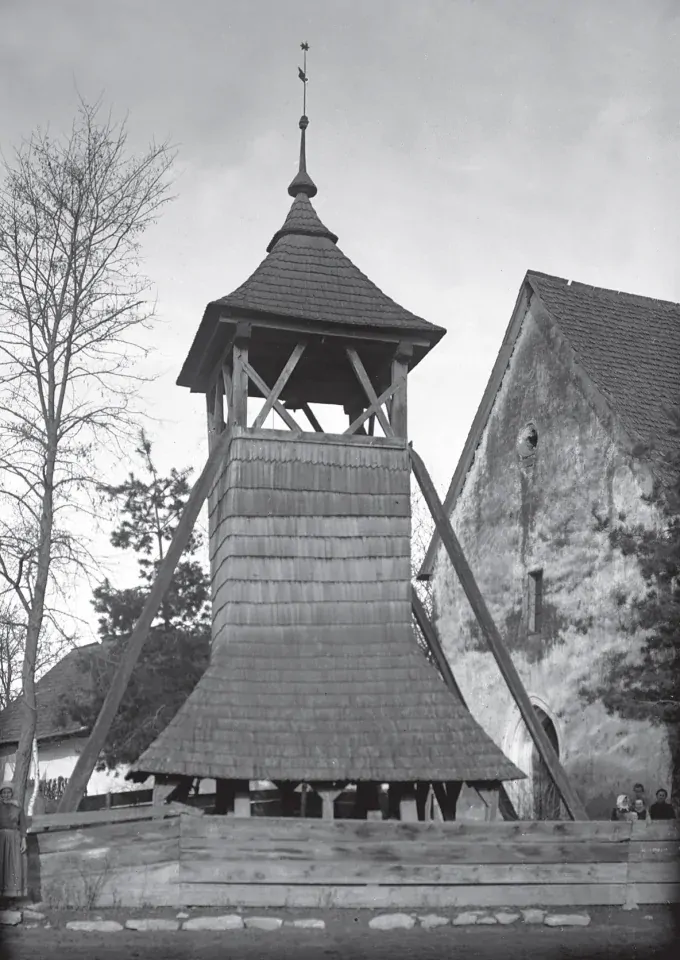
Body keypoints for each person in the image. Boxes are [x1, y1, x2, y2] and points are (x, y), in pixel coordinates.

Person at [0, 781, 26, 900]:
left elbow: (23, 824)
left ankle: (12, 897)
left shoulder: (17, 807)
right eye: (3, 792)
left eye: (8, 792)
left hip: (14, 839)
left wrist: (23, 840)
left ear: (12, 793)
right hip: (1, 839)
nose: (6, 795)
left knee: (13, 867)